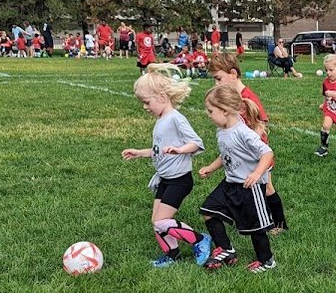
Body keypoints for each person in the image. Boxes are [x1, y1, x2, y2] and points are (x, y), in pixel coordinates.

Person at [122, 64, 213, 268]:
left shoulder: (175, 119)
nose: (145, 107)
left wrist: (180, 150)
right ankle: (173, 256)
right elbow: (159, 150)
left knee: (162, 221)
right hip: (165, 179)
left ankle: (200, 240)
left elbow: (196, 143)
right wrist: (140, 152)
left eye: (147, 102)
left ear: (162, 97)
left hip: (179, 181)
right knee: (156, 222)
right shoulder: (161, 119)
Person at [196, 84, 277, 273]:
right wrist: (211, 168)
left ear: (225, 111)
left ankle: (267, 260)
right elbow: (226, 154)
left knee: (256, 228)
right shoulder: (222, 130)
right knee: (208, 210)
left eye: (210, 111)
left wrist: (256, 174)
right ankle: (225, 248)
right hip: (229, 183)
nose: (208, 115)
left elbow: (267, 153)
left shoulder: (243, 132)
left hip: (249, 187)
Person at [209, 53, 288, 232]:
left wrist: (249, 143)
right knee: (247, 187)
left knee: (267, 187)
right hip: (242, 156)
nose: (216, 84)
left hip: (256, 155)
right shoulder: (232, 98)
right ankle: (248, 218)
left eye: (219, 78)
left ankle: (279, 225)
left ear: (233, 74)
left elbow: (262, 123)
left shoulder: (247, 97)